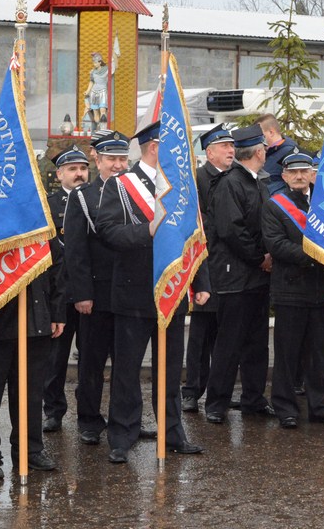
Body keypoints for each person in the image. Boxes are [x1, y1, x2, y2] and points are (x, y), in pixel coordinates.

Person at [96, 121, 207, 463]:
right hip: (133, 291)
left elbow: (195, 235)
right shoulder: (120, 185)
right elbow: (108, 231)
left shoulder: (179, 186)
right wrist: (148, 230)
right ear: (154, 147)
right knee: (128, 369)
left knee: (171, 369)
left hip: (172, 291)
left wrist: (200, 283)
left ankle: (173, 432)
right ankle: (122, 435)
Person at [0, 217, 64, 481]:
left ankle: (30, 449)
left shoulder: (38, 215)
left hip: (35, 319)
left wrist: (58, 311)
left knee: (30, 394)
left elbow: (58, 264)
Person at [263, 149, 324, 427]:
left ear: (313, 174)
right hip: (291, 290)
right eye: (293, 172)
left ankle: (321, 407)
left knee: (319, 353)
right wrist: (314, 256)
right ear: (284, 176)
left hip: (321, 289)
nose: (299, 176)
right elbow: (276, 245)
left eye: (304, 172)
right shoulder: (275, 205)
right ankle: (286, 408)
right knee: (288, 354)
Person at [204, 124, 275, 423]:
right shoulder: (230, 183)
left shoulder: (258, 182)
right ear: (259, 151)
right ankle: (216, 404)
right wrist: (260, 257)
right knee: (229, 343)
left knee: (257, 342)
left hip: (257, 277)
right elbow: (231, 229)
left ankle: (253, 399)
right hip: (235, 276)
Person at [64, 131, 130, 444]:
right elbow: (75, 250)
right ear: (98, 159)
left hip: (130, 290)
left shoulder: (137, 192)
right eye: (111, 159)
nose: (117, 165)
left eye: (122, 159)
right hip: (97, 292)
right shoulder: (83, 197)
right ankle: (89, 419)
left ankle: (124, 419)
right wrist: (82, 294)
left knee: (126, 362)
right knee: (92, 360)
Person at [183, 124, 235, 413]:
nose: (231, 151)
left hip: (232, 269)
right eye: (224, 147)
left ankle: (219, 390)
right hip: (206, 265)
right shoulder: (198, 180)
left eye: (232, 146)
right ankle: (192, 389)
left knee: (223, 335)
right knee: (201, 336)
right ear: (209, 152)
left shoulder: (235, 179)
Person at [42, 145, 91, 433]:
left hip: (89, 292)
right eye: (72, 169)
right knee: (55, 359)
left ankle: (87, 412)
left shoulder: (96, 200)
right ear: (59, 173)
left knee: (90, 358)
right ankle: (53, 411)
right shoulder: (49, 205)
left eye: (83, 168)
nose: (79, 174)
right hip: (60, 291)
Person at [255, 114, 297, 195]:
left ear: (271, 132)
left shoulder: (290, 153)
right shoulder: (266, 151)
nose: (257, 138)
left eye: (260, 135)